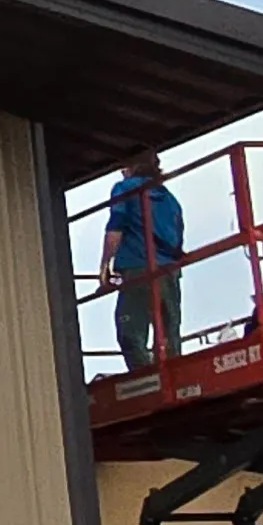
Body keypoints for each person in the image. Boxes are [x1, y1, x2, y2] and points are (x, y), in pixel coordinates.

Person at [99, 153, 185, 370]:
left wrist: (105, 266)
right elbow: (178, 239)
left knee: (130, 331)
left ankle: (145, 376)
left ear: (133, 166)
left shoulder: (125, 189)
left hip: (137, 267)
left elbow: (115, 228)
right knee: (169, 335)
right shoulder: (171, 200)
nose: (122, 172)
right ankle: (174, 375)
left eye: (124, 167)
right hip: (169, 270)